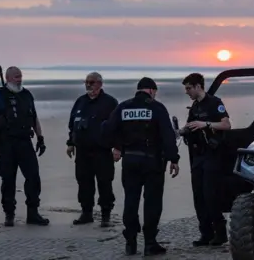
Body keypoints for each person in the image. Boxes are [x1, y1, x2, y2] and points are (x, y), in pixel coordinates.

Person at [102, 77, 180, 256]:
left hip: (130, 161)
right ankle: (150, 243)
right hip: (152, 162)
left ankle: (130, 241)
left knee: (131, 200)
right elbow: (168, 135)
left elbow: (106, 130)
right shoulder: (157, 107)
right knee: (152, 202)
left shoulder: (123, 107)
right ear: (152, 90)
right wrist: (173, 158)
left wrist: (118, 146)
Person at [0, 66, 49, 227]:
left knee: (33, 177)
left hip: (25, 142)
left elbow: (34, 118)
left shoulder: (27, 95)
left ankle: (33, 213)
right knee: (8, 179)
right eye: (16, 77)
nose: (19, 79)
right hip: (6, 144)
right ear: (7, 78)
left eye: (20, 76)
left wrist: (40, 138)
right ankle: (9, 214)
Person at [178, 73, 231, 247]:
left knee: (210, 195)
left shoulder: (215, 103)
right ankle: (206, 233)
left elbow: (226, 125)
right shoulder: (195, 106)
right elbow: (189, 124)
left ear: (198, 86)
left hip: (212, 155)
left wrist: (206, 124)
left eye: (188, 88)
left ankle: (220, 232)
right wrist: (182, 130)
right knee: (198, 195)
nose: (187, 92)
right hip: (197, 155)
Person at [66, 72, 119, 227]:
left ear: (100, 84)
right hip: (82, 152)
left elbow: (118, 127)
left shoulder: (110, 103)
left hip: (102, 152)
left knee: (105, 184)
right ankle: (86, 213)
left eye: (92, 82)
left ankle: (105, 215)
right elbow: (72, 125)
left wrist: (118, 148)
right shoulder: (80, 102)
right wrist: (70, 143)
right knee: (83, 183)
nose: (88, 85)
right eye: (86, 82)